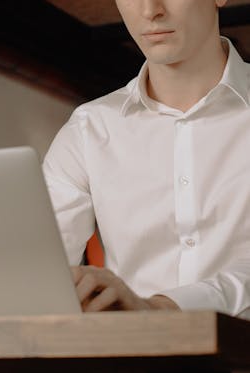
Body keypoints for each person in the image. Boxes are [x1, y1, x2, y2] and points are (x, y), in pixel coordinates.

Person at [43, 0, 250, 318]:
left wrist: (161, 307)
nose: (150, 10)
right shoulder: (88, 129)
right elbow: (41, 272)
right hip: (130, 363)